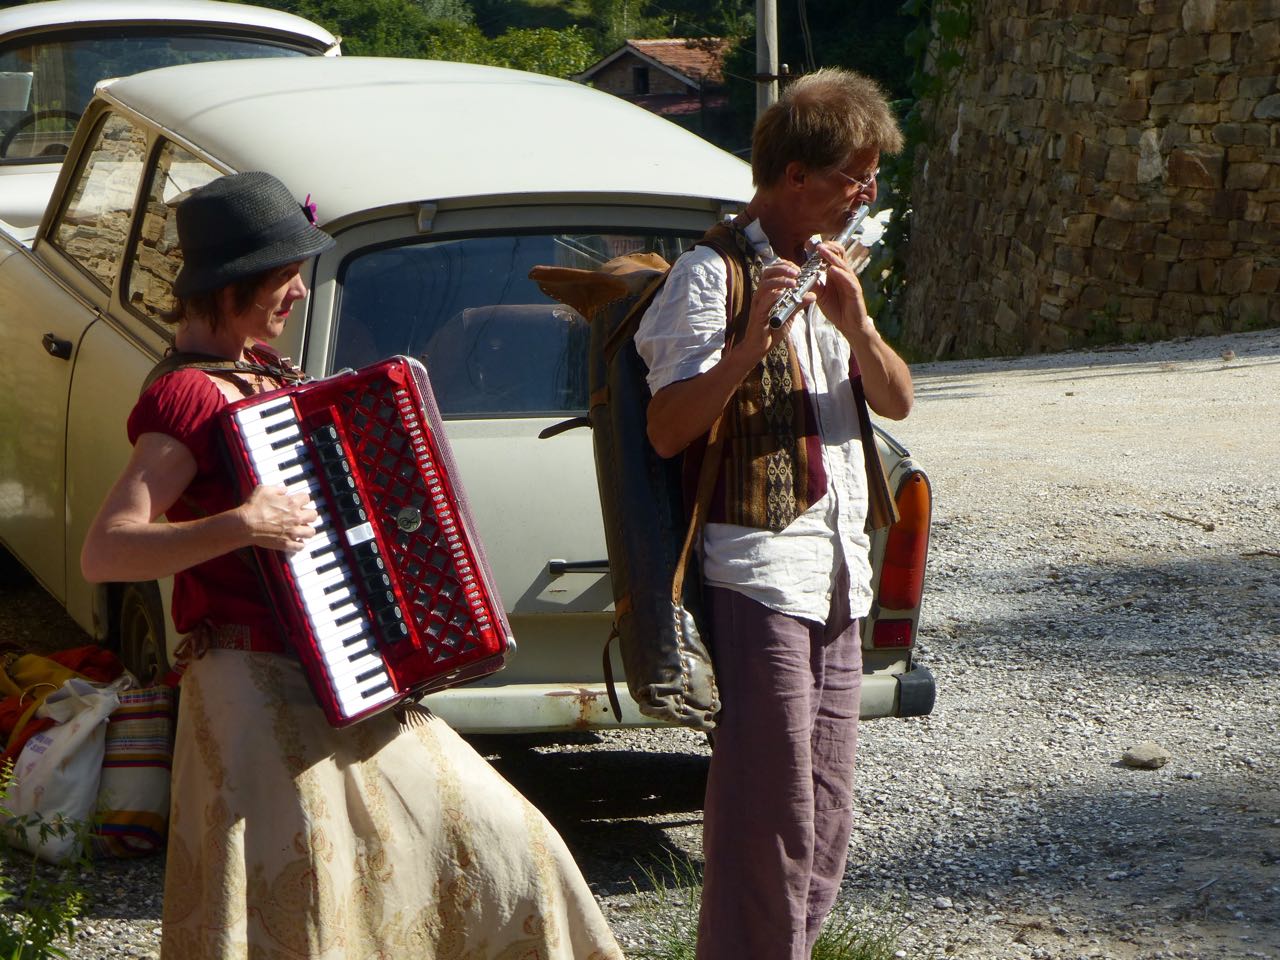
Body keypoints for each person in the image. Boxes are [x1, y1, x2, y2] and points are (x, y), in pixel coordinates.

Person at [81, 171, 623, 960]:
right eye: (284, 276)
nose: (300, 292)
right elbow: (109, 548)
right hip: (248, 688)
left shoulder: (267, 375)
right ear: (233, 284)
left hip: (341, 675)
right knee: (300, 910)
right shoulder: (189, 398)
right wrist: (240, 523)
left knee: (508, 841)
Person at [634, 69, 913, 959]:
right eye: (853, 177)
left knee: (828, 808)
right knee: (770, 806)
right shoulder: (708, 276)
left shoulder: (837, 274)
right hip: (755, 570)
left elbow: (898, 402)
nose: (866, 194)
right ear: (795, 176)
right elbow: (670, 429)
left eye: (871, 177)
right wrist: (751, 344)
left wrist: (858, 324)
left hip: (834, 573)